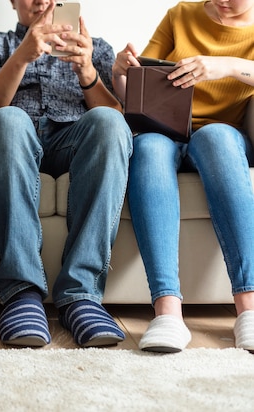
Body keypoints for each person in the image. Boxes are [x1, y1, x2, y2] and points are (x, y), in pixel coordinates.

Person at [0, 0, 133, 349]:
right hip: (12, 142)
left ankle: (81, 294)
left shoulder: (96, 47)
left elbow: (116, 120)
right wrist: (22, 57)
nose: (41, 2)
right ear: (12, 2)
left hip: (73, 141)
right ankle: (22, 293)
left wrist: (87, 72)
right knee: (8, 120)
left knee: (110, 122)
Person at [112, 0, 254, 353]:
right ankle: (167, 311)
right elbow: (137, 87)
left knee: (216, 137)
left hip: (222, 133)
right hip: (165, 131)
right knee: (148, 147)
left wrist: (227, 66)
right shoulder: (180, 15)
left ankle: (249, 308)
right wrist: (119, 74)